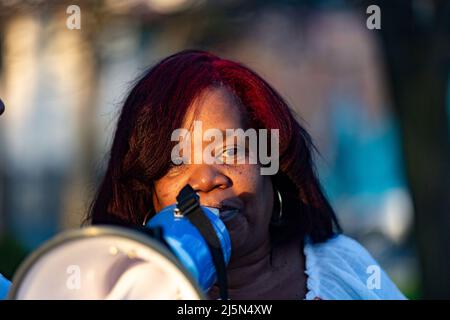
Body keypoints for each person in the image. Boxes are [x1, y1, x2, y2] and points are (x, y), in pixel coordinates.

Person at [87, 50, 406, 300]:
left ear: (273, 169)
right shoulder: (116, 289)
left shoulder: (342, 268)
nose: (205, 179)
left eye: (230, 152)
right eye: (177, 161)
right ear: (148, 195)